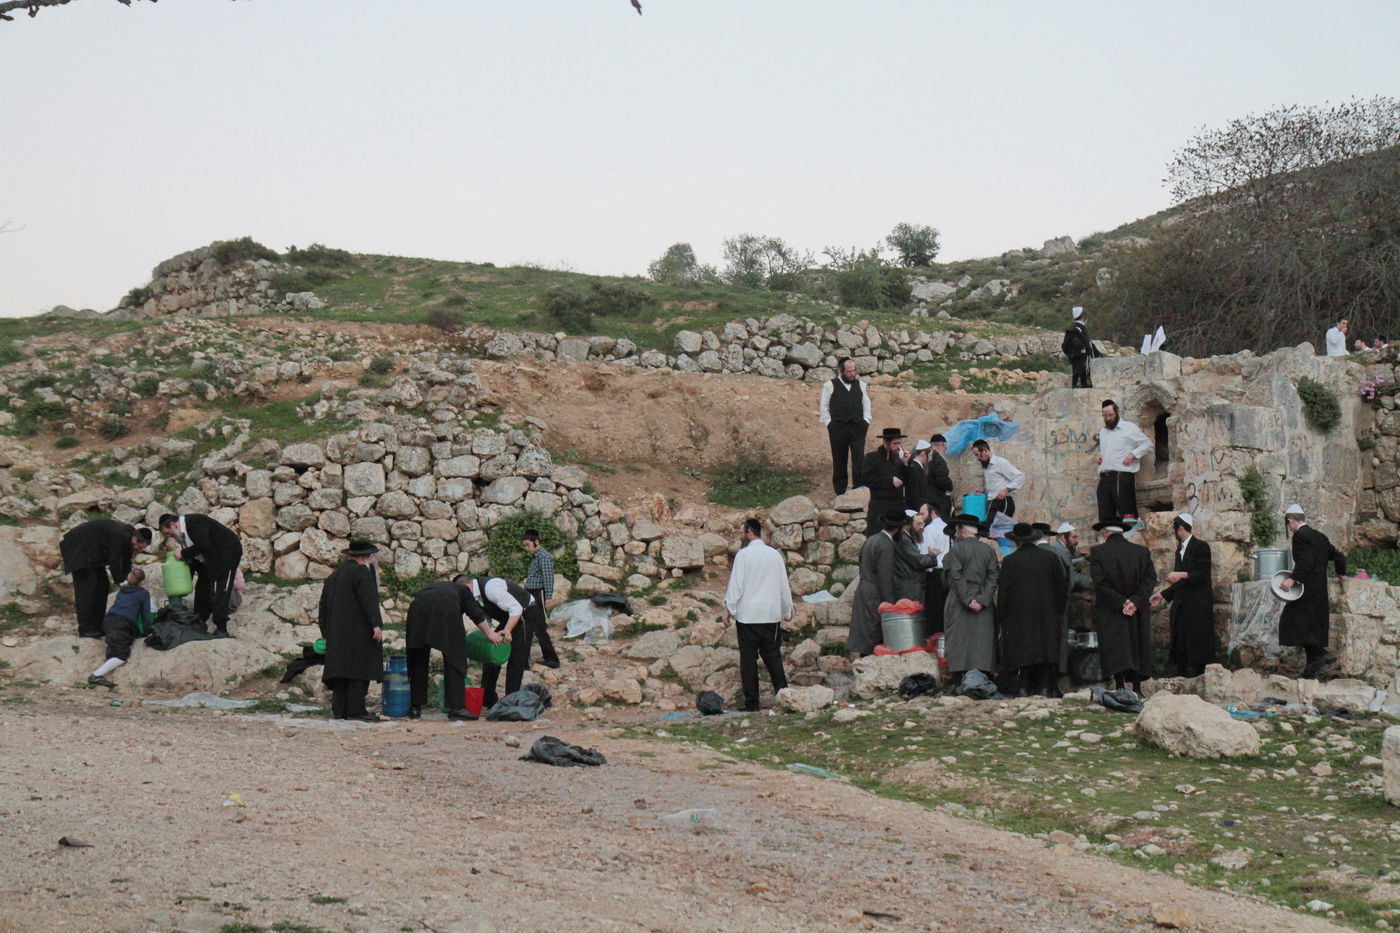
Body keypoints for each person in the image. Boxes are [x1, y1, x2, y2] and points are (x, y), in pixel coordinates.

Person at [723, 518, 794, 711]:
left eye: (741, 533)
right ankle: (784, 695)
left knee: (748, 660)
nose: (740, 536)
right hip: (770, 615)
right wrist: (787, 610)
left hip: (748, 616)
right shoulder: (775, 555)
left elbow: (736, 585)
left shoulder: (743, 556)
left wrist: (729, 609)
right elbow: (783, 586)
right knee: (773, 657)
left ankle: (752, 703)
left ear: (749, 533)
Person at [405, 577, 497, 720]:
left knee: (418, 657)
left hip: (417, 609)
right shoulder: (464, 590)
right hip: (445, 609)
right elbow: (476, 614)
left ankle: (415, 707)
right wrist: (489, 634)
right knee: (455, 656)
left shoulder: (434, 585)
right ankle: (457, 708)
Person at [996, 523, 1069, 697]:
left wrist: (1002, 616)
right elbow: (1062, 588)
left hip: (1019, 615)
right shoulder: (1050, 558)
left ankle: (1022, 688)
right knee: (1045, 649)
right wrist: (1058, 610)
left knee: (1023, 651)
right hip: (1047, 613)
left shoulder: (1010, 561)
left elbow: (1003, 592)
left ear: (1016, 542)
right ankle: (1044, 688)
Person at [317, 540, 384, 722]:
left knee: (341, 672)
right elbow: (368, 600)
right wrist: (375, 625)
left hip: (336, 633)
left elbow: (323, 606)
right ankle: (356, 711)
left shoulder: (335, 575)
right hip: (358, 632)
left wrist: (326, 632)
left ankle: (340, 711)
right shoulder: (361, 572)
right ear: (366, 556)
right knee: (358, 670)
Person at [1277, 505, 1347, 678]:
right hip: (1320, 590)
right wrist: (1341, 573)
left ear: (1290, 520)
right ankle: (1310, 672)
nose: (1290, 527)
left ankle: (1323, 653)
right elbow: (1339, 556)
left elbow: (1305, 561)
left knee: (1291, 621)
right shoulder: (1320, 536)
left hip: (1305, 589)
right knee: (1311, 628)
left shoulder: (1300, 536)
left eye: (1289, 524)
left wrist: (1292, 579)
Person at [1089, 518, 1157, 694]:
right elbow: (1150, 578)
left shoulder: (1098, 552)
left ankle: (1120, 686)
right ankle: (1137, 687)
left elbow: (1100, 582)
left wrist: (1121, 602)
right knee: (1137, 643)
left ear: (1105, 534)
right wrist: (1135, 600)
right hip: (1137, 609)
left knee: (1117, 645)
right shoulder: (1141, 552)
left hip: (1112, 608)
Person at [59, 518, 151, 638]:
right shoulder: (121, 536)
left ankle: (98, 626)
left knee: (102, 585)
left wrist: (130, 581)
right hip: (79, 549)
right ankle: (85, 629)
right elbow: (115, 563)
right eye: (139, 548)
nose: (138, 550)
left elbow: (126, 562)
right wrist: (123, 584)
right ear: (135, 539)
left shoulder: (129, 538)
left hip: (93, 554)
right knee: (87, 588)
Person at [1149, 514, 1215, 677]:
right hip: (1182, 602)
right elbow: (1179, 581)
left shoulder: (1201, 547)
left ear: (1180, 528)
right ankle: (1183, 670)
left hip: (1198, 602)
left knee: (1197, 637)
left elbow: (1203, 574)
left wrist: (1182, 575)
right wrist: (1163, 595)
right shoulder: (1180, 551)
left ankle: (1199, 671)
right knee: (1181, 636)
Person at [158, 512, 243, 637]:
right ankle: (199, 621)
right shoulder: (182, 534)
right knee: (202, 588)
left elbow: (203, 545)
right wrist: (186, 582)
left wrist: (183, 553)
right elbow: (194, 558)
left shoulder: (194, 522)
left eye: (168, 532)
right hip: (209, 558)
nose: (169, 536)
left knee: (219, 590)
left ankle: (221, 629)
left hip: (227, 554)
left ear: (173, 524)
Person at [943, 513, 999, 691]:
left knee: (960, 640)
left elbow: (956, 577)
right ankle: (983, 680)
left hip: (960, 600)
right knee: (982, 641)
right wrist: (982, 600)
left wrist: (968, 600)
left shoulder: (956, 550)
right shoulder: (989, 551)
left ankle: (960, 681)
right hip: (984, 602)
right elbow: (993, 577)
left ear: (961, 530)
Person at [466, 574, 535, 709]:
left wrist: (508, 630)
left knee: (516, 656)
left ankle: (511, 700)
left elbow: (516, 609)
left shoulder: (491, 588)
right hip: (508, 617)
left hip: (525, 613)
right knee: (492, 651)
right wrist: (489, 633)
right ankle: (488, 697)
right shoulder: (474, 596)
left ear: (467, 587)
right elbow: (484, 617)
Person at [86, 568, 154, 689]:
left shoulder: (122, 591)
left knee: (116, 646)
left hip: (108, 620)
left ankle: (105, 668)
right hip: (122, 623)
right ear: (142, 582)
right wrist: (147, 632)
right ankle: (96, 675)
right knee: (122, 655)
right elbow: (146, 617)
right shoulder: (143, 593)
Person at [847, 511, 903, 656]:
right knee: (873, 630)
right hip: (875, 593)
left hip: (864, 588)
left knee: (865, 628)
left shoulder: (871, 539)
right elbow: (885, 576)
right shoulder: (886, 544)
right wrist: (890, 604)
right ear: (897, 529)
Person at [818, 358, 871, 495]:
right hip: (838, 428)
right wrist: (829, 424)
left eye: (854, 371)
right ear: (840, 371)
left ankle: (859, 488)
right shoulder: (830, 385)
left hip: (858, 427)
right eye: (849, 371)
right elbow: (824, 407)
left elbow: (866, 404)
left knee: (858, 458)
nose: (852, 374)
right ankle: (840, 491)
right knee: (839, 459)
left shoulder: (861, 385)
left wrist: (866, 420)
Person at [1095, 400, 1153, 522]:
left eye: (1110, 415)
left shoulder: (1129, 428)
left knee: (1127, 514)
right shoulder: (1103, 432)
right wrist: (1100, 455)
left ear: (1117, 412)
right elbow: (1109, 450)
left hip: (1122, 475)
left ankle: (1130, 538)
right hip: (1104, 476)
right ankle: (1110, 539)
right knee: (1105, 515)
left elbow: (1147, 444)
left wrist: (1133, 454)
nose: (1108, 418)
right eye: (1105, 416)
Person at [522, 529, 561, 669]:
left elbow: (548, 577)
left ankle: (550, 659)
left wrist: (548, 597)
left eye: (527, 545)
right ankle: (550, 659)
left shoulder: (544, 556)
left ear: (536, 542)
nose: (526, 548)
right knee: (535, 628)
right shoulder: (536, 557)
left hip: (538, 594)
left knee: (534, 628)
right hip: (532, 594)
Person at [861, 428, 909, 533]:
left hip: (897, 510)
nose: (898, 447)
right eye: (895, 444)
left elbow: (906, 482)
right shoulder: (872, 458)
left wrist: (906, 464)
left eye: (900, 444)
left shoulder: (898, 461)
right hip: (879, 509)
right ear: (886, 443)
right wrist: (889, 480)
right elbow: (866, 479)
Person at [970, 439, 1024, 524]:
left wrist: (1006, 490)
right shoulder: (986, 466)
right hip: (992, 503)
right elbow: (995, 482)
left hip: (1003, 502)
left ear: (985, 450)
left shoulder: (1000, 462)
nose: (977, 458)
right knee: (988, 530)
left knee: (995, 531)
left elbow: (1020, 476)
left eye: (977, 455)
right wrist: (983, 489)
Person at [920, 503, 951, 633]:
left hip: (933, 573)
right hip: (946, 572)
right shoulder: (947, 527)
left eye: (923, 513)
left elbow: (925, 553)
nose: (921, 517)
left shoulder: (929, 529)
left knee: (933, 612)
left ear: (932, 513)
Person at [893, 509, 935, 602]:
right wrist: (932, 555)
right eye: (919, 524)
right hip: (908, 589)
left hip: (912, 587)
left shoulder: (908, 538)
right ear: (909, 525)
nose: (922, 527)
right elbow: (918, 561)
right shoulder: (904, 539)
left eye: (922, 523)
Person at [1062, 306, 1098, 388]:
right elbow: (1076, 340)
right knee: (1080, 371)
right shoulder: (1078, 327)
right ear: (1084, 318)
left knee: (1078, 371)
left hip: (1077, 356)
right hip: (1080, 355)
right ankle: (1080, 387)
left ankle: (1079, 386)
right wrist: (1082, 348)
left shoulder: (1076, 327)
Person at [922, 434, 953, 520]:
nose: (945, 449)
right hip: (938, 501)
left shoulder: (926, 457)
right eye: (944, 446)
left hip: (927, 500)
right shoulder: (938, 459)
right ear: (937, 446)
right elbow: (942, 480)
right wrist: (950, 485)